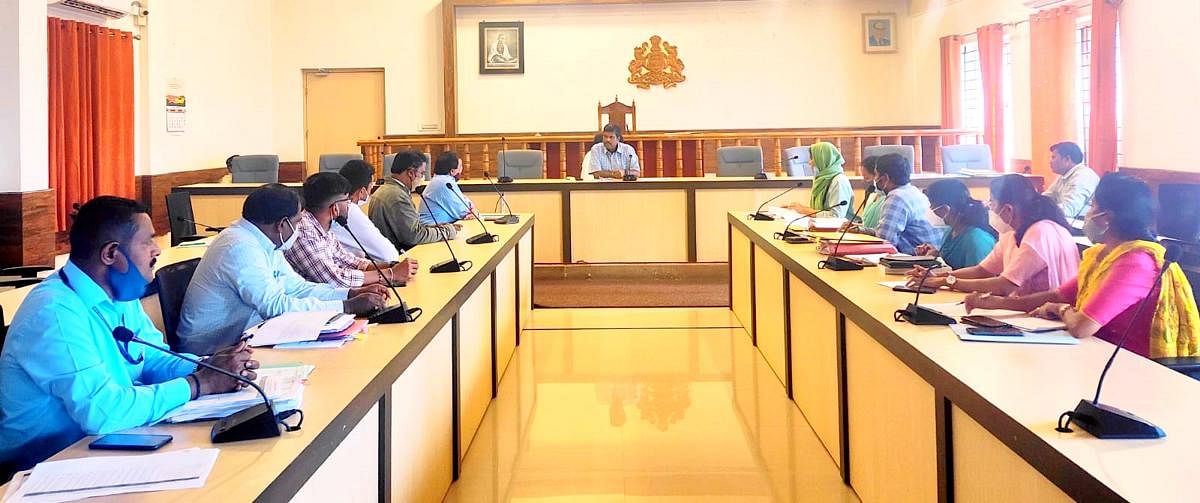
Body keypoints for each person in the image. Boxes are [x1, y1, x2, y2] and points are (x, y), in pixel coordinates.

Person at [0, 197, 258, 472]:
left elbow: (154, 360)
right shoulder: (54, 313)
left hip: (102, 446)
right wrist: (199, 383)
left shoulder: (120, 294)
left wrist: (215, 367)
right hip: (42, 466)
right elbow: (103, 413)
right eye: (148, 241)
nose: (157, 250)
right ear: (112, 254)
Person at [966, 174, 1199, 358]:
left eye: (1092, 206)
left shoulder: (1136, 261)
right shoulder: (1101, 254)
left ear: (1106, 216)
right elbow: (1060, 294)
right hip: (1095, 352)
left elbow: (1082, 326)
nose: (1087, 214)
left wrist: (1060, 310)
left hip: (1130, 367)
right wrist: (997, 303)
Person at [176, 185, 389, 355]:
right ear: (282, 224)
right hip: (212, 350)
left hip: (245, 334)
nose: (299, 228)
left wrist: (349, 294)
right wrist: (347, 306)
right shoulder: (240, 247)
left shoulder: (265, 241)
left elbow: (296, 288)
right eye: (297, 222)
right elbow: (276, 307)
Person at [907, 174, 1079, 295]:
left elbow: (1005, 286)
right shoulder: (1012, 234)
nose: (989, 207)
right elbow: (982, 270)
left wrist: (946, 282)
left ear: (1008, 209)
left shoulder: (1040, 232)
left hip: (1048, 322)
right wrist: (935, 276)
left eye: (992, 202)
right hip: (1029, 317)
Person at [284, 172, 418, 288]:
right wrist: (391, 274)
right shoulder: (303, 232)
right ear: (335, 208)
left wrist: (391, 265)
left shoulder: (323, 227)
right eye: (347, 201)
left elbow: (349, 261)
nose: (349, 205)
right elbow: (334, 279)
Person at [369, 149, 460, 250]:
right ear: (411, 173)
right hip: (400, 257)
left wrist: (436, 227)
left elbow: (409, 227)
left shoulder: (387, 189)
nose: (422, 177)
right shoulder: (397, 196)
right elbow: (414, 236)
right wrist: (447, 232)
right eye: (422, 173)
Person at [854, 153, 940, 255]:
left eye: (876, 174)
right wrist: (861, 230)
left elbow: (884, 242)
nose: (875, 179)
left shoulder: (896, 197)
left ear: (885, 178)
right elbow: (884, 233)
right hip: (929, 258)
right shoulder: (913, 191)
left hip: (915, 261)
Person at [913, 179, 997, 269]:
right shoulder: (950, 231)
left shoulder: (976, 240)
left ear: (945, 209)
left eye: (933, 207)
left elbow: (979, 278)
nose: (931, 210)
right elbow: (951, 265)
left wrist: (943, 279)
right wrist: (936, 255)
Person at [332, 159, 401, 263]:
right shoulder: (350, 210)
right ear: (362, 191)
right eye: (371, 187)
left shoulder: (331, 205)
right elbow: (389, 256)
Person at [784, 142, 854, 218]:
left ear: (823, 159)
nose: (809, 162)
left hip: (840, 228)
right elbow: (818, 210)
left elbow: (836, 216)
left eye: (813, 158)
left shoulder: (839, 181)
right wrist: (795, 209)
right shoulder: (821, 179)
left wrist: (804, 210)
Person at [1042, 141, 1099, 222]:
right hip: (1068, 220)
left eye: (1053, 157)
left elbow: (1068, 210)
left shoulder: (1083, 176)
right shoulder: (1063, 176)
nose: (1050, 161)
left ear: (1067, 159)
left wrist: (1042, 211)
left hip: (1080, 223)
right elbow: (1046, 197)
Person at [418, 151, 475, 225]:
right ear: (452, 171)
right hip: (432, 230)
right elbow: (462, 211)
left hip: (439, 228)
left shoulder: (442, 180)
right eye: (460, 167)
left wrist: (472, 209)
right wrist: (472, 210)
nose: (461, 169)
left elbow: (463, 200)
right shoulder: (443, 183)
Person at [859, 156, 886, 229]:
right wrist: (855, 226)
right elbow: (866, 223)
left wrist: (861, 230)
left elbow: (880, 230)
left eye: (867, 178)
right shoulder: (871, 195)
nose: (863, 181)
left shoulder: (889, 199)